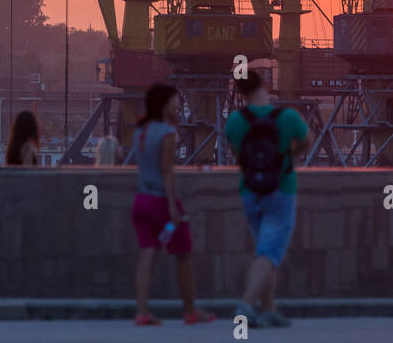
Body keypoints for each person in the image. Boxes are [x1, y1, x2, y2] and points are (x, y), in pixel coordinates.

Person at [225, 70, 312, 328]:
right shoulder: (288, 117)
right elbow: (306, 141)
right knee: (269, 253)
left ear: (240, 92)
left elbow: (236, 151)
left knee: (265, 250)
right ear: (264, 84)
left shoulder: (235, 122)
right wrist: (288, 153)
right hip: (281, 189)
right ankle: (245, 306)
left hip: (250, 191)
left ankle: (269, 309)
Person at [129, 83, 215, 327]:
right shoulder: (167, 132)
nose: (179, 103)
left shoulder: (140, 130)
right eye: (176, 99)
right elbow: (167, 170)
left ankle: (142, 311)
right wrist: (172, 207)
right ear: (165, 103)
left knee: (147, 256)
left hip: (141, 200)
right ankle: (190, 310)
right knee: (184, 255)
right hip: (160, 202)